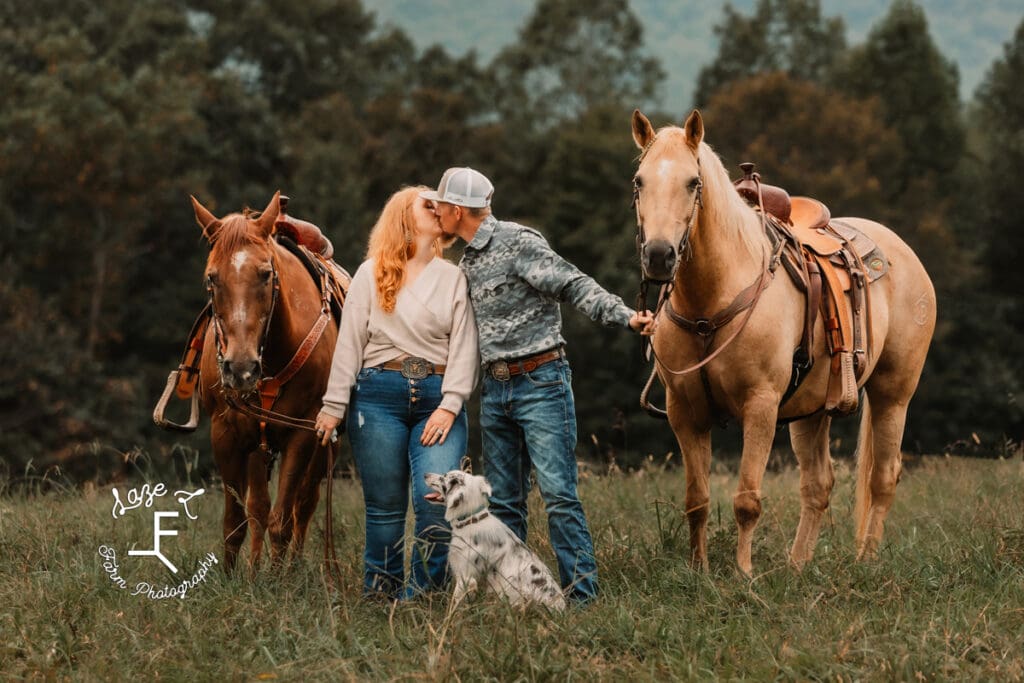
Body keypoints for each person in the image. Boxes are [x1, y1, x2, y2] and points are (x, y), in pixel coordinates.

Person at [421, 167, 654, 604]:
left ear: (457, 209)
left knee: (559, 495)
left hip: (541, 382)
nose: (436, 213)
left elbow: (573, 283)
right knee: (506, 502)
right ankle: (516, 598)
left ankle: (583, 600)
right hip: (496, 391)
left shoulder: (517, 242)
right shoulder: (466, 262)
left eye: (440, 206)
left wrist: (625, 315)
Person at [314, 185, 478, 600]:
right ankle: (380, 593)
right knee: (385, 508)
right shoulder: (370, 273)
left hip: (438, 400)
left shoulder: (455, 277)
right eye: (429, 204)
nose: (439, 209)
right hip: (377, 396)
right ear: (405, 217)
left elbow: (464, 346)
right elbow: (348, 343)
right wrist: (333, 407)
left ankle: (423, 595)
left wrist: (451, 405)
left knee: (437, 506)